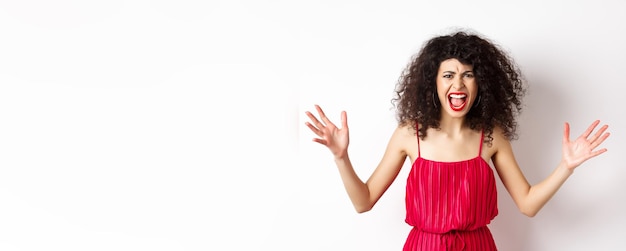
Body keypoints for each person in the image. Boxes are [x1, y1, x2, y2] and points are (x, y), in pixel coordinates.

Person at [304, 30, 610, 250]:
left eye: (468, 74)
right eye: (448, 75)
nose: (458, 83)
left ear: (481, 83)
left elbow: (527, 204)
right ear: (433, 83)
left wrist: (566, 167)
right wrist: (341, 157)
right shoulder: (410, 135)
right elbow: (363, 202)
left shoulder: (491, 137)